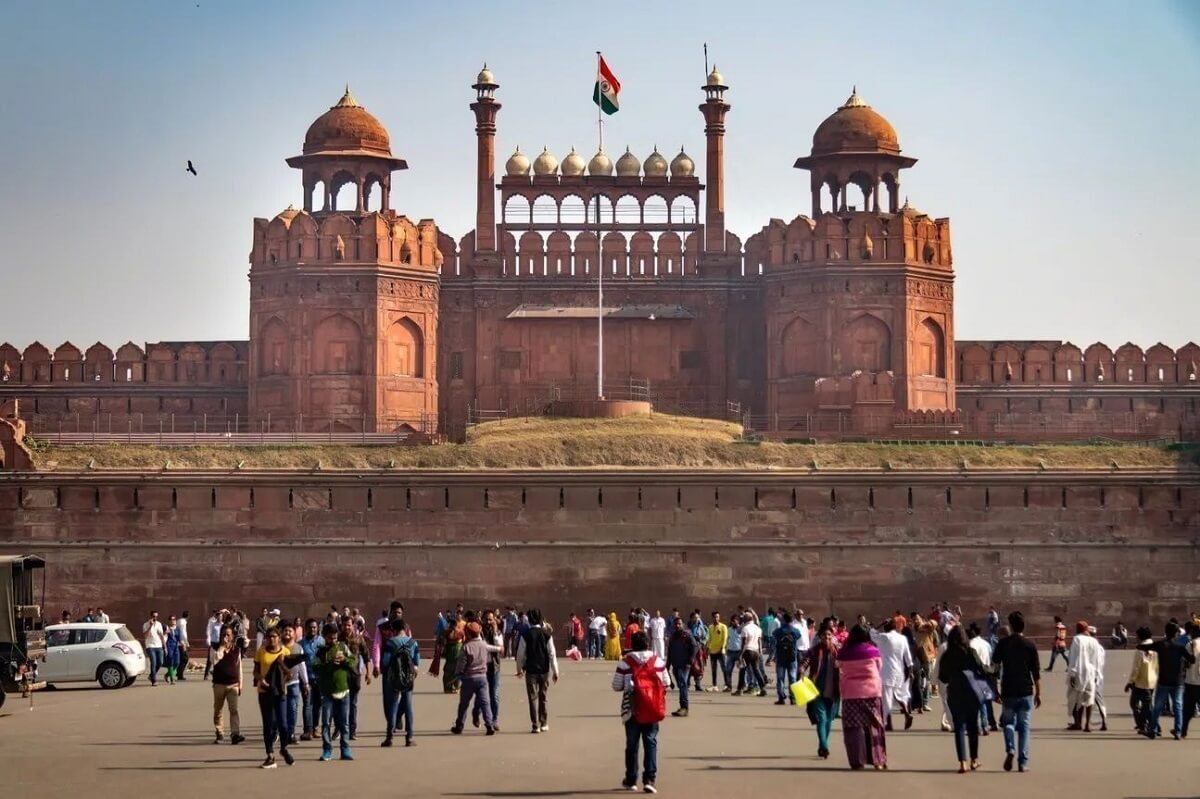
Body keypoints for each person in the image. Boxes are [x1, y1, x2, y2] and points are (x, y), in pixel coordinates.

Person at [612, 630, 668, 793]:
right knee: (650, 742)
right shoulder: (657, 661)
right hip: (652, 707)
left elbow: (616, 685)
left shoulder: (625, 662)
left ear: (633, 645)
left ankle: (631, 779)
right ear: (648, 643)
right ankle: (650, 779)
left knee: (632, 744)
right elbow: (667, 682)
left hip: (632, 708)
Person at [992, 610, 1041, 772]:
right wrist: (1039, 693)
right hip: (1026, 690)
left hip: (1008, 690)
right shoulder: (1030, 645)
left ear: (1011, 626)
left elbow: (994, 667)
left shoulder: (1003, 644)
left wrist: (994, 689)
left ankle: (1010, 749)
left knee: (1008, 723)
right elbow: (1036, 672)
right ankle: (1023, 762)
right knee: (1025, 726)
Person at [937, 626, 989, 773]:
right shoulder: (970, 652)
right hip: (971, 692)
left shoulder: (947, 655)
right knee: (972, 726)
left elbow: (943, 677)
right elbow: (981, 669)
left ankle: (962, 763)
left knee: (959, 727)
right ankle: (974, 760)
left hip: (955, 692)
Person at [836, 624, 886, 770]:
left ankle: (857, 761)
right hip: (872, 692)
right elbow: (879, 667)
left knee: (853, 728)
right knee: (875, 726)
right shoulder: (873, 651)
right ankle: (878, 759)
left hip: (851, 693)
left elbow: (839, 666)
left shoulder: (844, 652)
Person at [253, 627, 304, 768]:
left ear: (279, 637)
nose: (271, 639)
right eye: (269, 636)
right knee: (268, 725)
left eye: (274, 636)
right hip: (265, 692)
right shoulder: (261, 652)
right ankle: (270, 754)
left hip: (280, 692)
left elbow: (290, 674)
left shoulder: (285, 652)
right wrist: (260, 679)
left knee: (283, 724)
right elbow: (255, 672)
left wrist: (286, 675)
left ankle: (284, 748)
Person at [1149, 620, 1196, 739]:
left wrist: (1140, 646)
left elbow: (1146, 646)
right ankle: (1178, 732)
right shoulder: (1180, 647)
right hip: (1178, 681)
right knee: (1178, 707)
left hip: (1164, 681)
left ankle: (1153, 730)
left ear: (1165, 632)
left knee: (1157, 707)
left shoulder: (1160, 645)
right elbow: (1192, 660)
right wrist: (1193, 651)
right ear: (1176, 633)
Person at [801, 620, 840, 758]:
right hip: (816, 690)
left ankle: (822, 744)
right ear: (820, 637)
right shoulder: (814, 651)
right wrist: (801, 670)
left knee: (829, 720)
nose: (827, 638)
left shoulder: (838, 651)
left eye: (829, 635)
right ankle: (824, 746)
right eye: (824, 635)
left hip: (834, 691)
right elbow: (805, 662)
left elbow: (846, 665)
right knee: (822, 719)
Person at [516, 608, 559, 733]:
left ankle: (535, 725)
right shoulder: (546, 634)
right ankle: (544, 722)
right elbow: (552, 653)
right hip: (544, 670)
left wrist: (520, 669)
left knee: (532, 698)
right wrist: (555, 671)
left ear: (529, 619)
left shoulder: (526, 634)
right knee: (543, 696)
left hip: (531, 671)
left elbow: (520, 655)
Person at [315, 622, 354, 761]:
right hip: (327, 692)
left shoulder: (343, 647)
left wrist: (344, 660)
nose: (333, 641)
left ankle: (345, 749)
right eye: (330, 638)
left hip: (343, 690)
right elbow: (315, 668)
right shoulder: (321, 651)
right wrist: (330, 664)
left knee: (344, 723)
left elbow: (352, 661)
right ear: (324, 637)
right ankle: (327, 750)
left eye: (335, 638)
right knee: (326, 723)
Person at [451, 621, 496, 735]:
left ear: (468, 634)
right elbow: (492, 653)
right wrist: (500, 648)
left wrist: (458, 674)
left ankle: (459, 725)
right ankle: (489, 725)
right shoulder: (484, 644)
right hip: (482, 678)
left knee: (464, 704)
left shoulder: (466, 647)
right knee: (485, 703)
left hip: (468, 678)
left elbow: (461, 663)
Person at [870, 618, 914, 730]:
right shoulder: (902, 638)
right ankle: (906, 713)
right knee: (899, 694)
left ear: (886, 628)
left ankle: (888, 723)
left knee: (887, 698)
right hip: (900, 671)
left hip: (886, 672)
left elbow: (871, 632)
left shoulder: (885, 637)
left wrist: (880, 623)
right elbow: (908, 658)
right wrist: (910, 671)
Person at [1065, 620, 1104, 732]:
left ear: (1078, 629)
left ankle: (1078, 723)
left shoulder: (1077, 639)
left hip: (1079, 672)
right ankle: (1087, 724)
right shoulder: (1093, 641)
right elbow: (1096, 659)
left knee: (1076, 698)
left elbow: (1074, 658)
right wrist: (1097, 674)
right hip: (1091, 672)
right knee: (1089, 698)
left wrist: (1072, 674)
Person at [210, 624, 245, 745]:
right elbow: (214, 660)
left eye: (228, 635)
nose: (226, 637)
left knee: (234, 709)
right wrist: (221, 648)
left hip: (233, 684)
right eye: (223, 634)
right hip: (219, 684)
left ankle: (235, 734)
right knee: (218, 710)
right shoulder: (214, 647)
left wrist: (240, 684)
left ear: (232, 636)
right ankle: (219, 732)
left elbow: (239, 667)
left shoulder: (236, 650)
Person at [338, 615, 372, 740]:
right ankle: (341, 728)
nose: (347, 627)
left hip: (354, 675)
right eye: (345, 625)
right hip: (340, 675)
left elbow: (366, 655)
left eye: (349, 625)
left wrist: (368, 673)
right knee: (340, 703)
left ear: (353, 625)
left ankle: (352, 731)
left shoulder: (358, 639)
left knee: (353, 704)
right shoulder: (338, 639)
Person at [473, 609, 504, 731]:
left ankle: (494, 720)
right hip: (482, 668)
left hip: (494, 667)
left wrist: (495, 632)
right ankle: (476, 712)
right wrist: (497, 648)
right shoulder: (478, 633)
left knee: (494, 695)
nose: (488, 622)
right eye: (486, 619)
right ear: (482, 620)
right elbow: (483, 647)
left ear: (494, 620)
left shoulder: (498, 633)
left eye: (491, 619)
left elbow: (501, 648)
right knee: (481, 695)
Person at [1125, 626, 1158, 735]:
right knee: (1146, 704)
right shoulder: (1156, 647)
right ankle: (1148, 724)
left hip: (1141, 681)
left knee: (1135, 704)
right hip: (1152, 680)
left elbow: (1136, 668)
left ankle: (1148, 725)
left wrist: (1130, 682)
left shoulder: (1140, 649)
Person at [966, 623, 998, 733]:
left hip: (974, 674)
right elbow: (991, 657)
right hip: (986, 674)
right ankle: (986, 724)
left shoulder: (971, 644)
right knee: (984, 701)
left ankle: (978, 725)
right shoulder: (986, 644)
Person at [280, 623, 309, 744]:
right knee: (281, 711)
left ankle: (291, 734)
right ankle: (282, 733)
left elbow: (302, 666)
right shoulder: (278, 647)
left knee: (292, 710)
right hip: (280, 684)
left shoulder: (298, 648)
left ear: (294, 634)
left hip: (294, 683)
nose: (287, 633)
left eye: (290, 631)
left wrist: (306, 683)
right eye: (285, 631)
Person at [666, 616, 699, 717]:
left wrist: (690, 660)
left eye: (679, 624)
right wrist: (667, 667)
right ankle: (682, 707)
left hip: (684, 665)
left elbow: (695, 647)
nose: (677, 625)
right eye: (676, 624)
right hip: (675, 665)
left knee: (683, 684)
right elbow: (670, 652)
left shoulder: (687, 635)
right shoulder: (672, 637)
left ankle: (685, 708)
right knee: (681, 685)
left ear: (683, 625)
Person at [298, 618, 324, 741]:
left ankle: (315, 728)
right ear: (306, 628)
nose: (312, 629)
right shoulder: (301, 644)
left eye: (314, 627)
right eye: (310, 627)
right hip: (306, 678)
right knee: (307, 704)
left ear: (317, 628)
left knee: (318, 704)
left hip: (319, 678)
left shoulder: (322, 642)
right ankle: (307, 730)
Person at [772, 612, 802, 705]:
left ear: (783, 620)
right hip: (792, 657)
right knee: (792, 678)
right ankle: (793, 698)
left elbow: (774, 634)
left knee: (780, 678)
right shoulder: (795, 630)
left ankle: (781, 697)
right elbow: (799, 636)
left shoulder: (778, 631)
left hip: (781, 657)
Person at [912, 613, 938, 712]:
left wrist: (924, 624)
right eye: (914, 619)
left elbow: (935, 624)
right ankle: (918, 703)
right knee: (918, 681)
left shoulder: (927, 628)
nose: (916, 621)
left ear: (921, 619)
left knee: (927, 680)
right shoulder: (914, 629)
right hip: (917, 657)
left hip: (927, 657)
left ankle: (925, 702)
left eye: (917, 619)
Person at [1184, 621, 1200, 738]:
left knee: (1188, 709)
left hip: (1191, 681)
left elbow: (1187, 664)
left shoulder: (1190, 645)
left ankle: (1183, 731)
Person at [707, 611, 729, 692]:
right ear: (712, 618)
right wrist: (708, 648)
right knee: (713, 669)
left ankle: (727, 684)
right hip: (713, 651)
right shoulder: (710, 627)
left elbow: (725, 638)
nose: (716, 618)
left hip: (721, 651)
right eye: (715, 617)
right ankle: (714, 685)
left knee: (724, 668)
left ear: (719, 617)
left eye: (717, 617)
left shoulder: (723, 626)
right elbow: (709, 638)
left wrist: (722, 648)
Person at [142, 610, 165, 686]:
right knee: (153, 663)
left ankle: (151, 675)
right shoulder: (146, 624)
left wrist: (164, 645)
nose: (155, 618)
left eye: (156, 616)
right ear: (150, 616)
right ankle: (154, 680)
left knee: (160, 662)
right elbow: (145, 636)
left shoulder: (159, 624)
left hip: (159, 645)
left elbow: (161, 635)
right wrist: (150, 626)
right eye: (153, 616)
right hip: (150, 646)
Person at [163, 614, 183, 684]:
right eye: (171, 619)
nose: (173, 621)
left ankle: (167, 675)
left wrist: (183, 643)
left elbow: (179, 638)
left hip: (176, 646)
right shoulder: (166, 628)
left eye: (174, 619)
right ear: (169, 621)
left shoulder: (177, 629)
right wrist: (165, 633)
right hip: (169, 646)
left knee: (177, 662)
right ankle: (172, 679)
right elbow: (163, 637)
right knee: (170, 662)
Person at [204, 609, 223, 681]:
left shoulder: (223, 625)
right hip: (213, 643)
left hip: (220, 643)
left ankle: (216, 673)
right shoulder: (213, 623)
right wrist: (208, 639)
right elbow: (209, 631)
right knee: (210, 659)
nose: (220, 618)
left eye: (221, 617)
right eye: (219, 617)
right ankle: (206, 675)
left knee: (219, 659)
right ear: (217, 617)